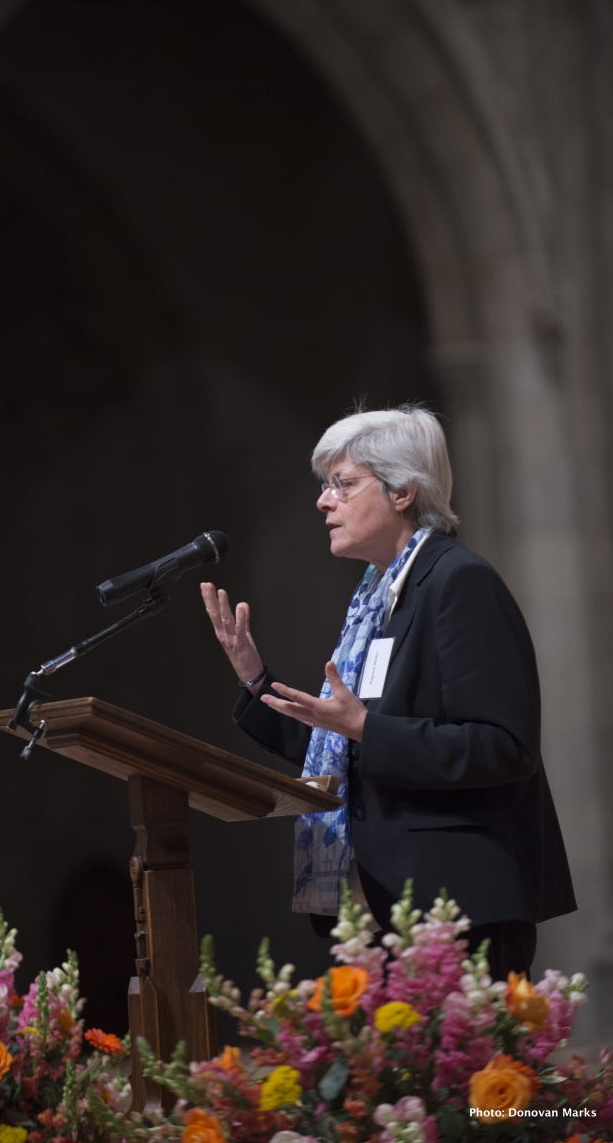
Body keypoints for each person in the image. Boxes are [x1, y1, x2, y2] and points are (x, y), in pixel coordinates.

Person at [201, 406, 575, 980]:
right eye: (325, 486)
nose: (323, 502)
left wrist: (365, 728)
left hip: (457, 906)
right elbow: (347, 746)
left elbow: (504, 746)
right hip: (385, 905)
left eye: (342, 484)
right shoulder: (377, 600)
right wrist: (256, 681)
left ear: (402, 491)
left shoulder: (458, 582)